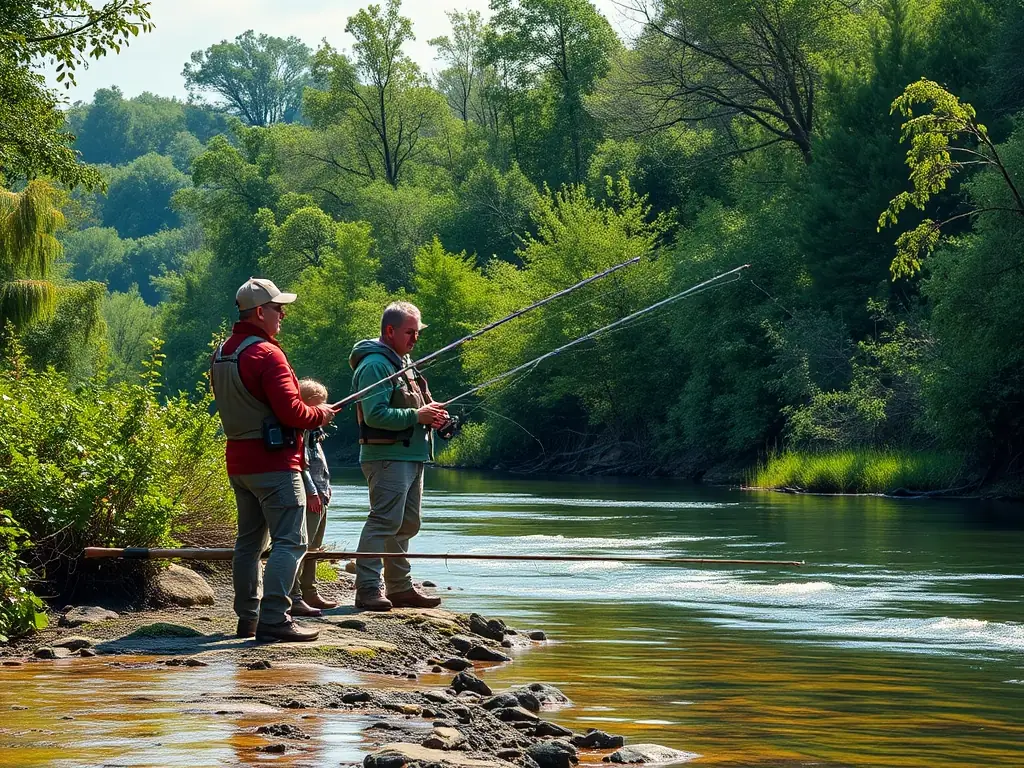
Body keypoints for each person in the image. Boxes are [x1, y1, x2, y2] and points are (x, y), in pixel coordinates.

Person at [210, 277, 338, 642]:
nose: (283, 314)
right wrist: (320, 415)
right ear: (260, 312)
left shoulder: (222, 353)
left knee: (248, 544)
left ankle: (247, 618)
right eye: (278, 308)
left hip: (239, 463)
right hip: (275, 465)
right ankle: (275, 619)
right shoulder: (267, 354)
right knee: (292, 541)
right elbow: (293, 413)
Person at [348, 301, 449, 611]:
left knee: (406, 523)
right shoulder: (375, 365)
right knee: (383, 522)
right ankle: (367, 589)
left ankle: (399, 588)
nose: (415, 339)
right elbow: (375, 415)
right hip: (387, 457)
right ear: (389, 331)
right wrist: (416, 416)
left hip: (411, 456)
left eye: (417, 333)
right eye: (409, 332)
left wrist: (437, 418)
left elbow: (419, 409)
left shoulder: (406, 363)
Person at [289, 378, 338, 617]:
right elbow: (302, 465)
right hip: (311, 497)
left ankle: (310, 591)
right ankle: (294, 594)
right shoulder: (301, 430)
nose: (326, 411)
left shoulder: (316, 432)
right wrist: (311, 492)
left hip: (321, 495)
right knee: (303, 546)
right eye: (320, 406)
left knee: (315, 548)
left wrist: (325, 491)